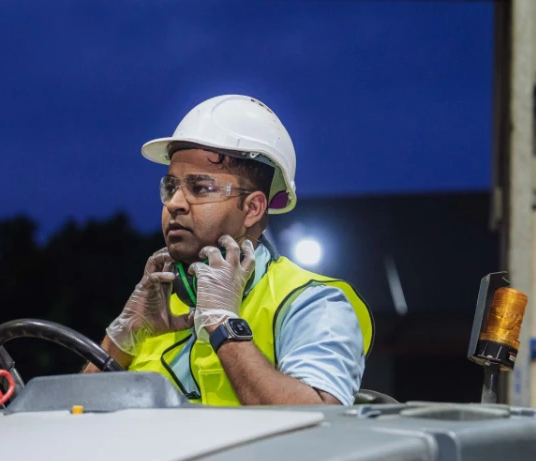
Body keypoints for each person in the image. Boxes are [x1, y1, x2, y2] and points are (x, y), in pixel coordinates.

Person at [89, 95, 372, 406]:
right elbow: (71, 425)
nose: (174, 203)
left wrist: (224, 325)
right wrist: (121, 340)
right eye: (170, 187)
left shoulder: (314, 304)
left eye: (200, 188)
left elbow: (323, 424)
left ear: (252, 208)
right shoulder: (159, 309)